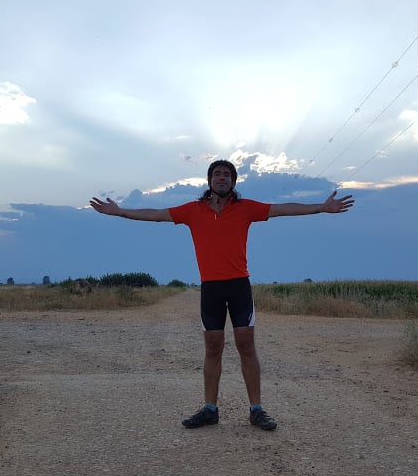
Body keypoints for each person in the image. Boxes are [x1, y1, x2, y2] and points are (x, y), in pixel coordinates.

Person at [90, 159, 354, 431]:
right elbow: (156, 214)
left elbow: (282, 209)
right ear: (209, 180)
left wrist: (321, 207)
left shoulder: (246, 208)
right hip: (211, 288)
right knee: (213, 348)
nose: (221, 178)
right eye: (216, 174)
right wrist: (120, 212)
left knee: (246, 346)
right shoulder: (193, 211)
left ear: (233, 181)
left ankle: (256, 410)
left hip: (239, 286)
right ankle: (210, 409)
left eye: (227, 174)